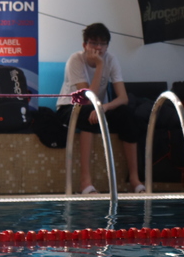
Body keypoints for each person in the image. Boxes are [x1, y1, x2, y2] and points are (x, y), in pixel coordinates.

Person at [56, 23, 146, 194]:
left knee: (127, 115)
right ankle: (85, 182)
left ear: (107, 46)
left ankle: (134, 179)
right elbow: (87, 99)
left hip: (98, 108)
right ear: (85, 45)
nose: (98, 48)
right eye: (94, 43)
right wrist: (99, 67)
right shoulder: (75, 60)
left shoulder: (111, 59)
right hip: (70, 108)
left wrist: (105, 106)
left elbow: (123, 98)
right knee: (88, 114)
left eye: (102, 44)